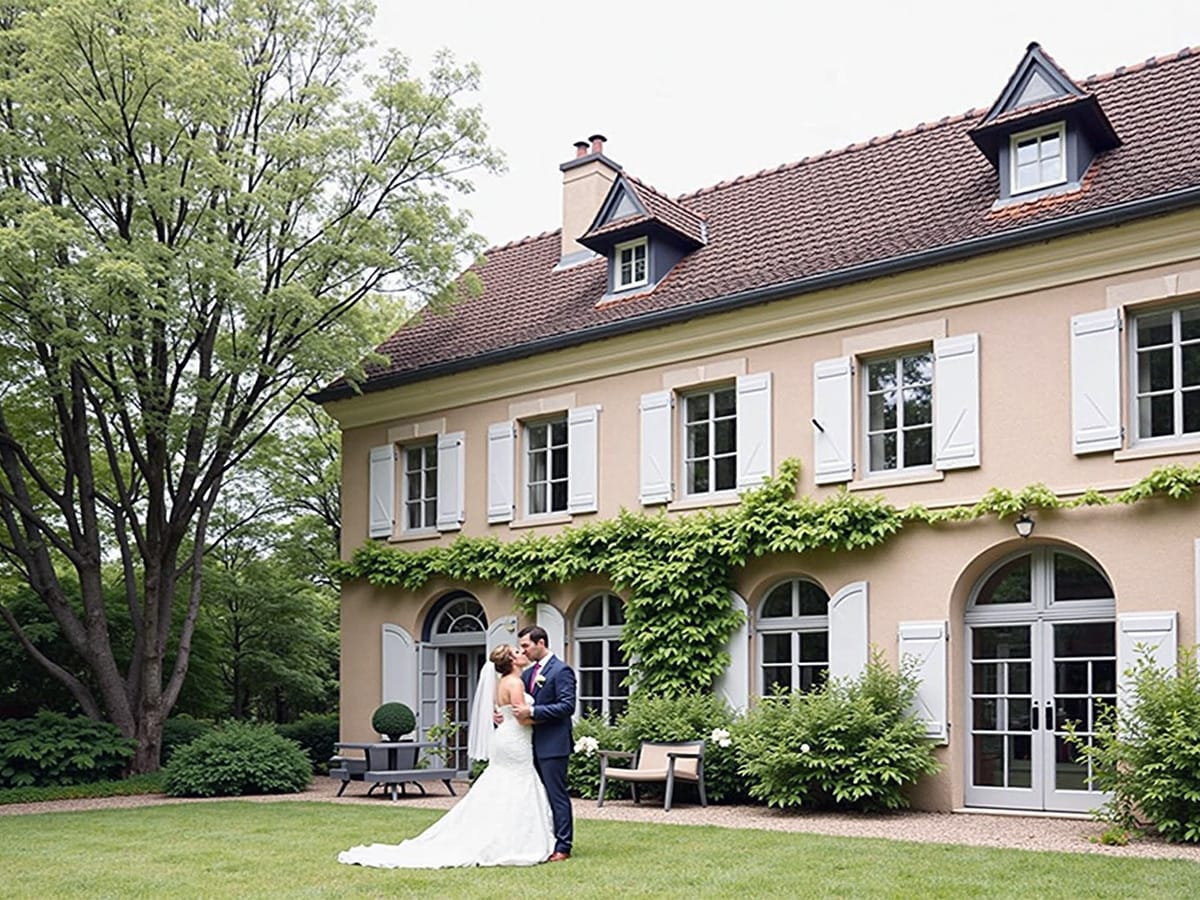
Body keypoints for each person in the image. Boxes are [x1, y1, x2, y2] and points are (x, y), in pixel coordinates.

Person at [337, 644, 554, 868]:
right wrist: (549, 717)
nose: (523, 653)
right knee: (517, 783)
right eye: (517, 652)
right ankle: (515, 841)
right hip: (515, 740)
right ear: (511, 661)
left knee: (503, 784)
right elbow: (522, 717)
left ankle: (505, 834)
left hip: (506, 738)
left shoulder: (502, 683)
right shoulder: (515, 682)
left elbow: (508, 713)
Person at [513, 625, 577, 862]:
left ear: (541, 643)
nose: (524, 651)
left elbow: (567, 706)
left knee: (556, 795)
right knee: (536, 796)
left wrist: (534, 710)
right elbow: (517, 705)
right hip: (529, 745)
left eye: (526, 646)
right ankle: (543, 840)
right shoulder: (528, 674)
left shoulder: (561, 670)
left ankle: (563, 846)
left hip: (553, 745)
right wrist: (502, 715)